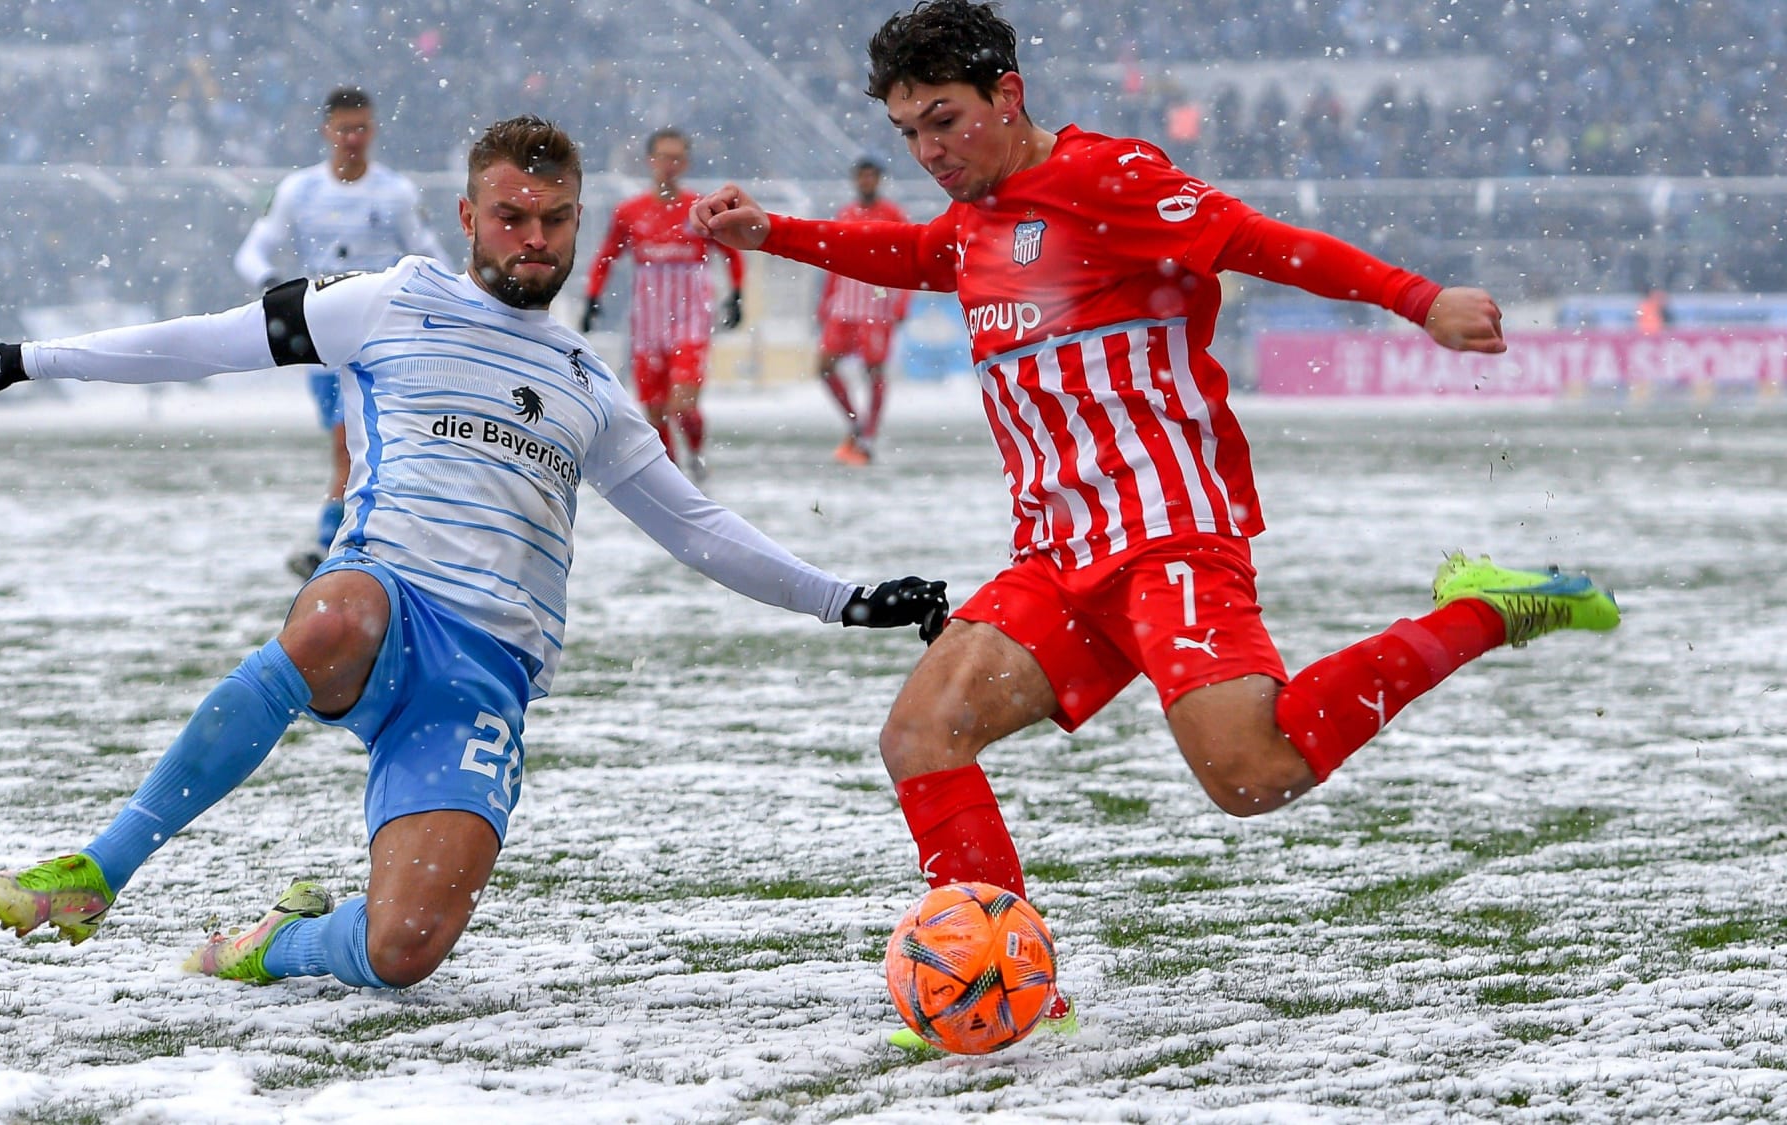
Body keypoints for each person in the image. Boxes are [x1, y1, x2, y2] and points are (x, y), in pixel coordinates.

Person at [690, 0, 1620, 1042]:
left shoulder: (1102, 178)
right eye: (907, 132)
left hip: (1168, 532)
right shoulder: (975, 223)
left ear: (1009, 95)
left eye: (943, 120)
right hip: (1056, 552)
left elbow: (1256, 242)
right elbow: (921, 256)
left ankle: (1488, 612)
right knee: (920, 734)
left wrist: (1418, 299)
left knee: (1251, 775)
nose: (927, 151)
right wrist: (772, 234)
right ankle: (1010, 982)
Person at [0, 117, 949, 992]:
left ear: (574, 223)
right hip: (388, 599)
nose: (532, 239)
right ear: (469, 218)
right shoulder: (387, 301)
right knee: (332, 617)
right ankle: (96, 872)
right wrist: (20, 361)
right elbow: (205, 340)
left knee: (403, 948)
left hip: (483, 678)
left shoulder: (588, 384)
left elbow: (696, 525)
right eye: (511, 217)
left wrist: (845, 600)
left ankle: (280, 943)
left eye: (553, 221)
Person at [233, 86, 450, 579]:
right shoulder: (299, 190)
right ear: (327, 132)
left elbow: (432, 255)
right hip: (325, 335)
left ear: (373, 131)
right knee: (354, 444)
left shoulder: (395, 193)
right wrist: (276, 288)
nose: (353, 139)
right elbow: (251, 253)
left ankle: (334, 542)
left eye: (362, 129)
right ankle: (354, 543)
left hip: (382, 337)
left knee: (361, 441)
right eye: (344, 129)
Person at [580, 128, 743, 479]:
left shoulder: (700, 210)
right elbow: (607, 255)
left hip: (691, 319)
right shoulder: (630, 212)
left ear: (686, 163)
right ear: (649, 161)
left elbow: (730, 251)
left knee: (682, 405)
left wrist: (736, 295)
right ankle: (671, 476)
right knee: (654, 412)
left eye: (676, 158)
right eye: (662, 157)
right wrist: (592, 297)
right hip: (648, 323)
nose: (669, 165)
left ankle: (696, 456)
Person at [815, 157, 911, 467]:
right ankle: (855, 422)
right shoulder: (846, 214)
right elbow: (834, 261)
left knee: (874, 369)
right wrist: (825, 301)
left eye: (871, 176)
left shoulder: (893, 215)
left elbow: (909, 260)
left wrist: (901, 302)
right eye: (861, 176)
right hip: (844, 303)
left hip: (876, 298)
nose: (866, 182)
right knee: (824, 366)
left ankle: (868, 434)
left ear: (879, 180)